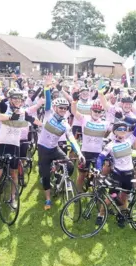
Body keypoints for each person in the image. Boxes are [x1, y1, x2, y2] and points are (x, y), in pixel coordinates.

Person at [94, 109, 136, 227]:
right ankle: (101, 215)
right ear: (115, 131)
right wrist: (98, 168)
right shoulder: (110, 145)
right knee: (111, 196)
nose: (123, 131)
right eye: (120, 129)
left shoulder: (129, 141)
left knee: (125, 196)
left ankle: (122, 216)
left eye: (124, 129)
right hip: (117, 174)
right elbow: (100, 158)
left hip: (129, 174)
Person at [37, 82, 85, 210]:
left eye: (65, 108)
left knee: (69, 166)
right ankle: (48, 199)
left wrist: (79, 153)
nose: (63, 110)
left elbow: (72, 140)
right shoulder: (48, 114)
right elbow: (47, 102)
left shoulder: (65, 124)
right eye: (61, 108)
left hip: (54, 148)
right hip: (43, 149)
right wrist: (47, 87)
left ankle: (59, 180)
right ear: (55, 107)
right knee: (45, 176)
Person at [71, 100, 109, 192]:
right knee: (81, 175)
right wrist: (74, 102)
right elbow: (74, 111)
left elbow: (116, 129)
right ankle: (78, 193)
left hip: (98, 154)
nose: (96, 113)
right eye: (95, 111)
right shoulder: (85, 118)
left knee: (98, 175)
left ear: (101, 113)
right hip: (85, 152)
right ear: (91, 111)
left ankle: (95, 194)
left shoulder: (105, 123)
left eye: (99, 111)